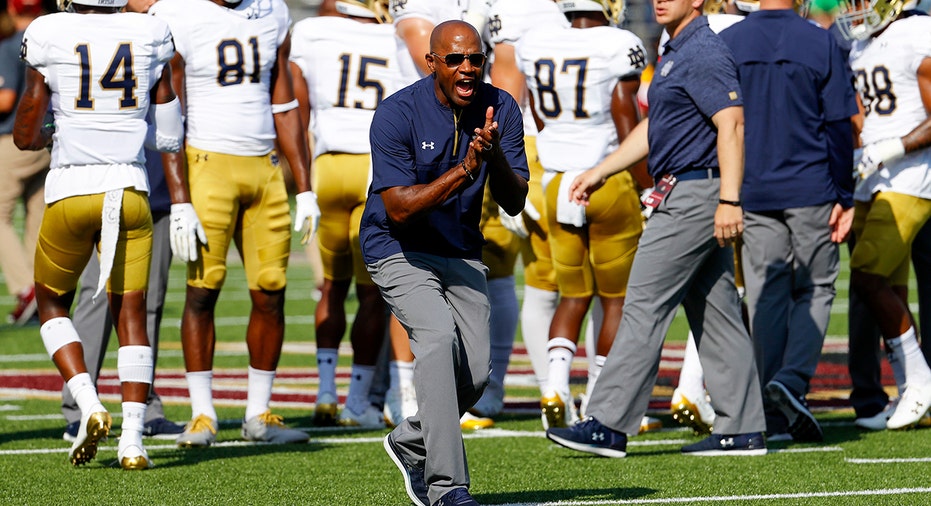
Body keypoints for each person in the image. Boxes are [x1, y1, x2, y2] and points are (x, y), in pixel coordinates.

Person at [546, 0, 767, 457]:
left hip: (695, 193)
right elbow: (653, 130)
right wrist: (601, 170)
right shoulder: (677, 50)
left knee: (643, 301)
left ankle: (608, 422)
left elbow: (733, 124)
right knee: (717, 310)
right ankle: (743, 427)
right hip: (690, 189)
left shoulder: (703, 49)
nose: (659, 1)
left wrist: (729, 199)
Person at [364, 19, 528, 506]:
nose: (466, 68)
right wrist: (464, 169)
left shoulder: (501, 107)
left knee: (475, 374)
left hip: (459, 248)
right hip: (398, 245)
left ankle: (410, 440)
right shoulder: (397, 113)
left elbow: (515, 200)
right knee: (436, 339)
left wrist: (493, 154)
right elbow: (398, 207)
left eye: (475, 58)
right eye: (454, 59)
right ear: (431, 61)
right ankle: (447, 487)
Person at [14, 0, 183, 469]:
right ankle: (133, 440)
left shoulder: (50, 30)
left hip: (71, 188)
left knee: (51, 305)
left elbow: (26, 135)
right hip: (129, 188)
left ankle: (88, 403)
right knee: (131, 314)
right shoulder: (151, 32)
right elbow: (168, 133)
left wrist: (60, 126)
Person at [149, 0, 318, 447]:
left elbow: (284, 101)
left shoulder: (273, 10)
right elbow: (169, 110)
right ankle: (203, 414)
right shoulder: (178, 13)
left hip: (264, 166)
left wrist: (305, 187)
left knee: (271, 290)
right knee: (203, 290)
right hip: (207, 163)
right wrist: (180, 197)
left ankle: (257, 414)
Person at [717, 0, 857, 443]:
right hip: (810, 184)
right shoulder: (820, 40)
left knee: (765, 294)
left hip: (752, 186)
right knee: (815, 286)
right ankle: (791, 381)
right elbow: (838, 124)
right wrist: (844, 192)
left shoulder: (730, 40)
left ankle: (771, 414)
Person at [515, 0, 648, 431]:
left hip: (556, 181)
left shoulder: (536, 43)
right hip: (605, 178)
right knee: (615, 300)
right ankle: (597, 396)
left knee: (572, 294)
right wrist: (648, 187)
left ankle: (554, 384)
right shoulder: (619, 43)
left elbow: (537, 112)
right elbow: (625, 117)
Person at [289, 0, 399, 429]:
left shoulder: (312, 32)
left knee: (330, 288)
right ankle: (357, 402)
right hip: (374, 168)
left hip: (328, 163)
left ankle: (325, 392)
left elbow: (295, 106)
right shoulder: (396, 36)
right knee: (372, 294)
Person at [835, 0, 931, 430]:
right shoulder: (862, 46)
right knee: (886, 285)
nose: (856, 9)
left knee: (867, 276)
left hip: (910, 178)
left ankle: (922, 380)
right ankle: (910, 386)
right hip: (870, 177)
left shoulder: (917, 34)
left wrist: (896, 146)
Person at [0, 0, 47, 326]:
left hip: (13, 140)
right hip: (45, 138)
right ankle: (41, 294)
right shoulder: (47, 39)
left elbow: (5, 99)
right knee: (37, 217)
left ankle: (26, 289)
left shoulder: (9, 45)